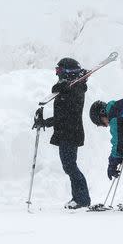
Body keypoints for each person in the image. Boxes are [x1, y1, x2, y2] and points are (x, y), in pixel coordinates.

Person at [34, 58, 91, 210]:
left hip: (71, 133)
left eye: (59, 71)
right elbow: (62, 115)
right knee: (69, 166)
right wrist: (44, 121)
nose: (57, 74)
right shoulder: (69, 89)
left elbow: (68, 114)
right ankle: (78, 198)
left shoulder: (75, 89)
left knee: (70, 166)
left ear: (67, 73)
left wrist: (46, 122)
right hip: (66, 131)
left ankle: (82, 199)